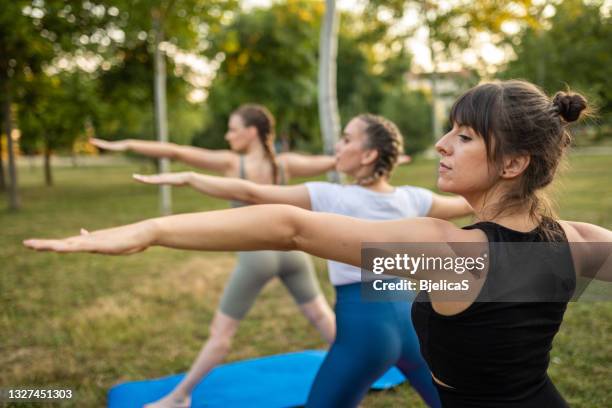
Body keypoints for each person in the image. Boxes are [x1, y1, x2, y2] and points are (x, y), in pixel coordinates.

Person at [25, 81, 612, 407]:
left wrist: (153, 231)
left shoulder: (450, 254)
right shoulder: (576, 241)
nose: (440, 144)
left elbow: (292, 228)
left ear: (513, 161)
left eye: (462, 135)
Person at [132, 113, 473, 407]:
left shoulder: (330, 195)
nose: (337, 148)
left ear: (368, 154)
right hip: (411, 317)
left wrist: (189, 177)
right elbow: (470, 205)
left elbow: (251, 193)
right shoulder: (413, 198)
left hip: (365, 327)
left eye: (346, 139)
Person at [94, 104, 339, 408]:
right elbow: (333, 162)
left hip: (256, 258)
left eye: (233, 129)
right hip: (293, 254)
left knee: (221, 335)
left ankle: (179, 397)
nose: (227, 135)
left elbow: (176, 151)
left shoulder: (230, 163)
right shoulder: (285, 164)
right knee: (321, 317)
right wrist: (385, 158)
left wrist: (125, 145)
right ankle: (359, 368)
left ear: (251, 133)